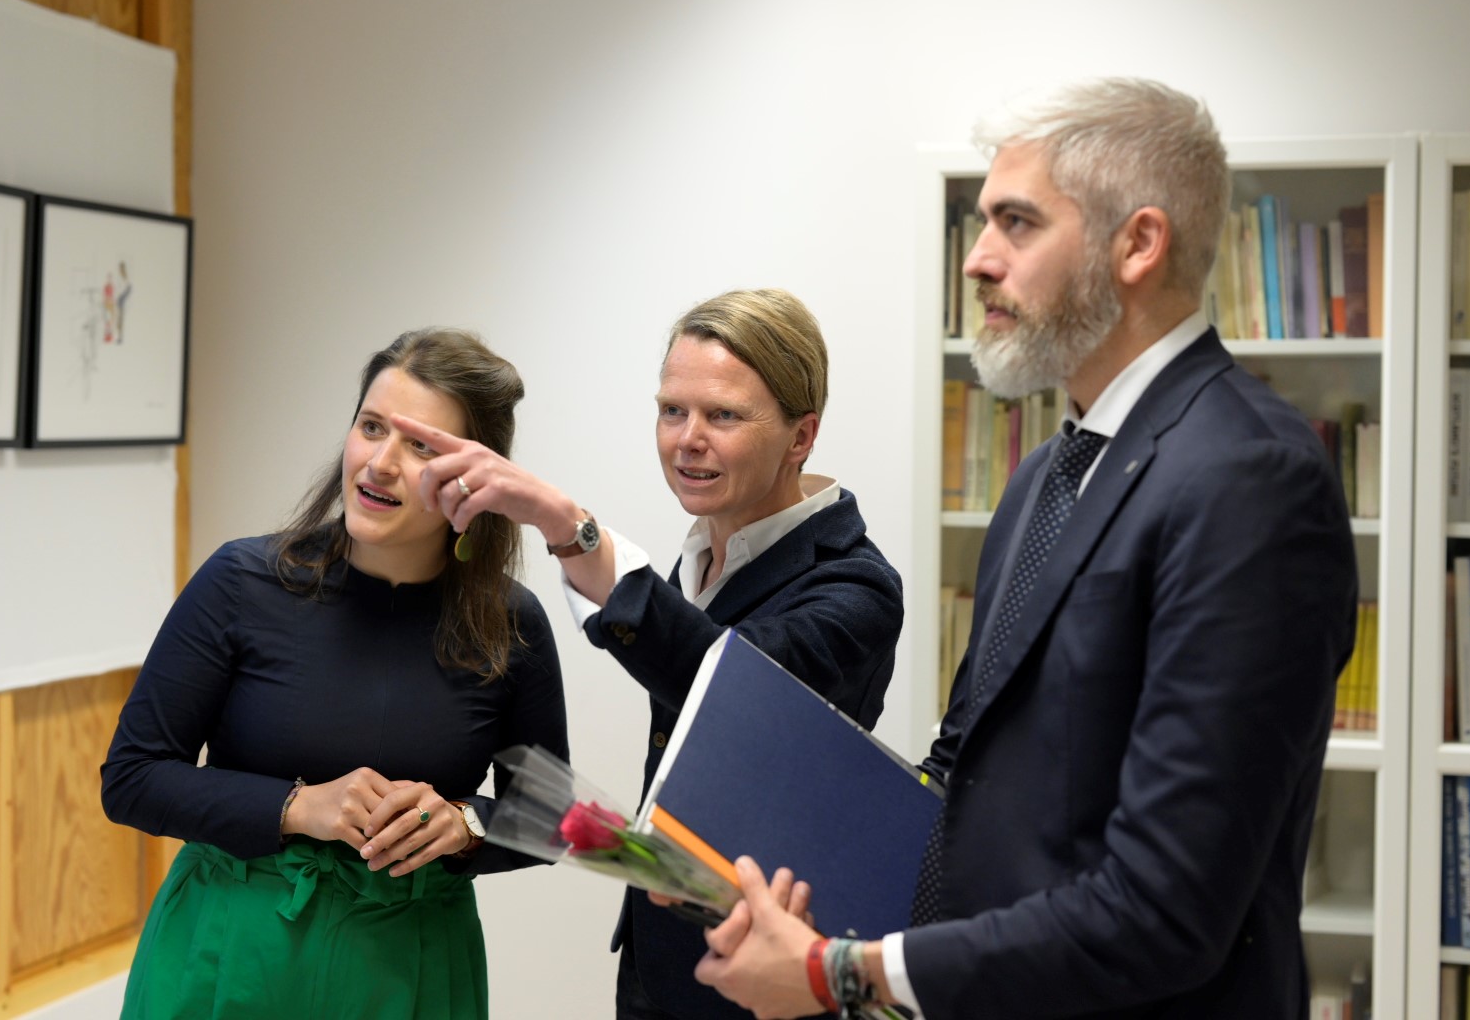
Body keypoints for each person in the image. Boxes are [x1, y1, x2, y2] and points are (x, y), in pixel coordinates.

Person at [692, 78, 1359, 1018]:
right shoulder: (1047, 473)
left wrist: (838, 975)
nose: (978, 260)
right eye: (981, 222)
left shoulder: (1250, 477)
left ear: (1138, 242)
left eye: (1016, 223)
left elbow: (1167, 908)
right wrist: (769, 884)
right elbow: (965, 770)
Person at [393, 288, 904, 1020]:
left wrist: (570, 528)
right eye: (672, 410)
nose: (686, 439)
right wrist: (593, 835)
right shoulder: (704, 553)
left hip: (770, 978)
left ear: (801, 436)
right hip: (659, 956)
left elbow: (727, 689)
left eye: (723, 415)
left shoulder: (857, 587)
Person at [100, 328, 569, 1020]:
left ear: (478, 477)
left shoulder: (511, 622)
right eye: (371, 427)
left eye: (421, 447)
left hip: (410, 969)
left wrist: (464, 821)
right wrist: (296, 808)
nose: (380, 464)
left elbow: (550, 819)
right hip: (227, 955)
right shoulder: (240, 582)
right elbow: (131, 778)